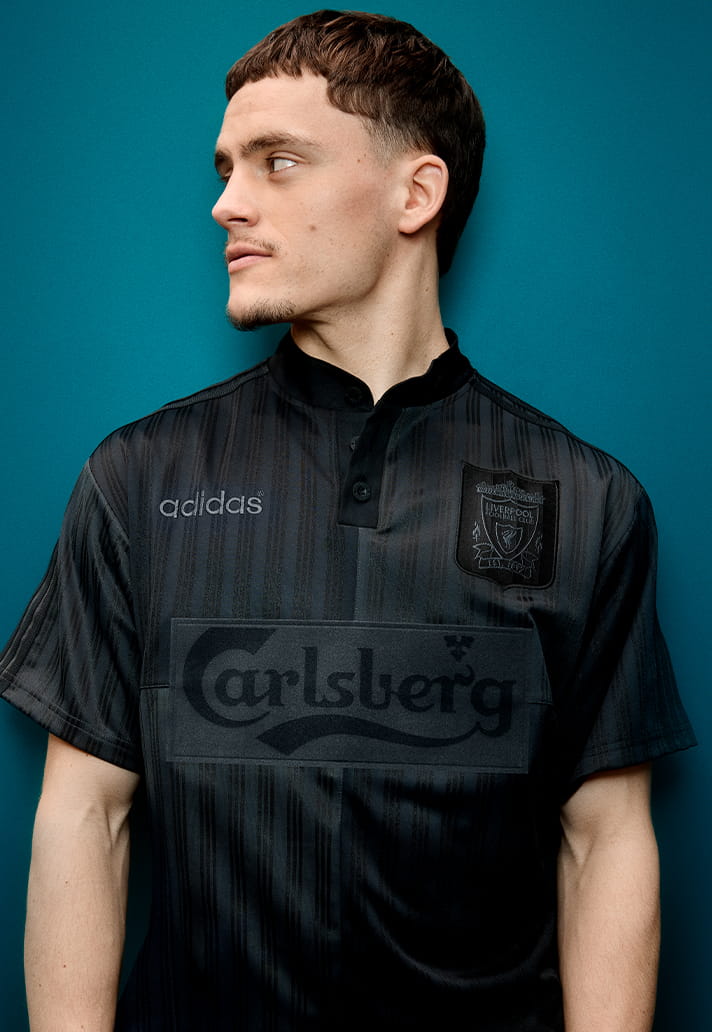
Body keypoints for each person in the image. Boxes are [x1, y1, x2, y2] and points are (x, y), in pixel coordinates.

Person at [0, 9, 696, 1032]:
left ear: (417, 193)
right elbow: (85, 816)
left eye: (277, 162)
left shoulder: (585, 497)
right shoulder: (138, 478)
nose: (226, 203)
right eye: (226, 167)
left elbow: (605, 838)